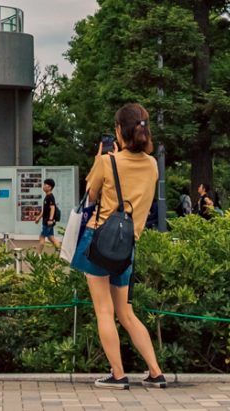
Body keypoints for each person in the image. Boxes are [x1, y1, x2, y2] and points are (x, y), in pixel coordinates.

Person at [76, 103, 166, 389]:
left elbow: (90, 196)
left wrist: (99, 159)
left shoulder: (107, 162)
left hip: (99, 242)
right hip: (128, 246)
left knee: (104, 311)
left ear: (119, 131)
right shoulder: (152, 165)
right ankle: (155, 372)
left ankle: (118, 374)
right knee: (126, 312)